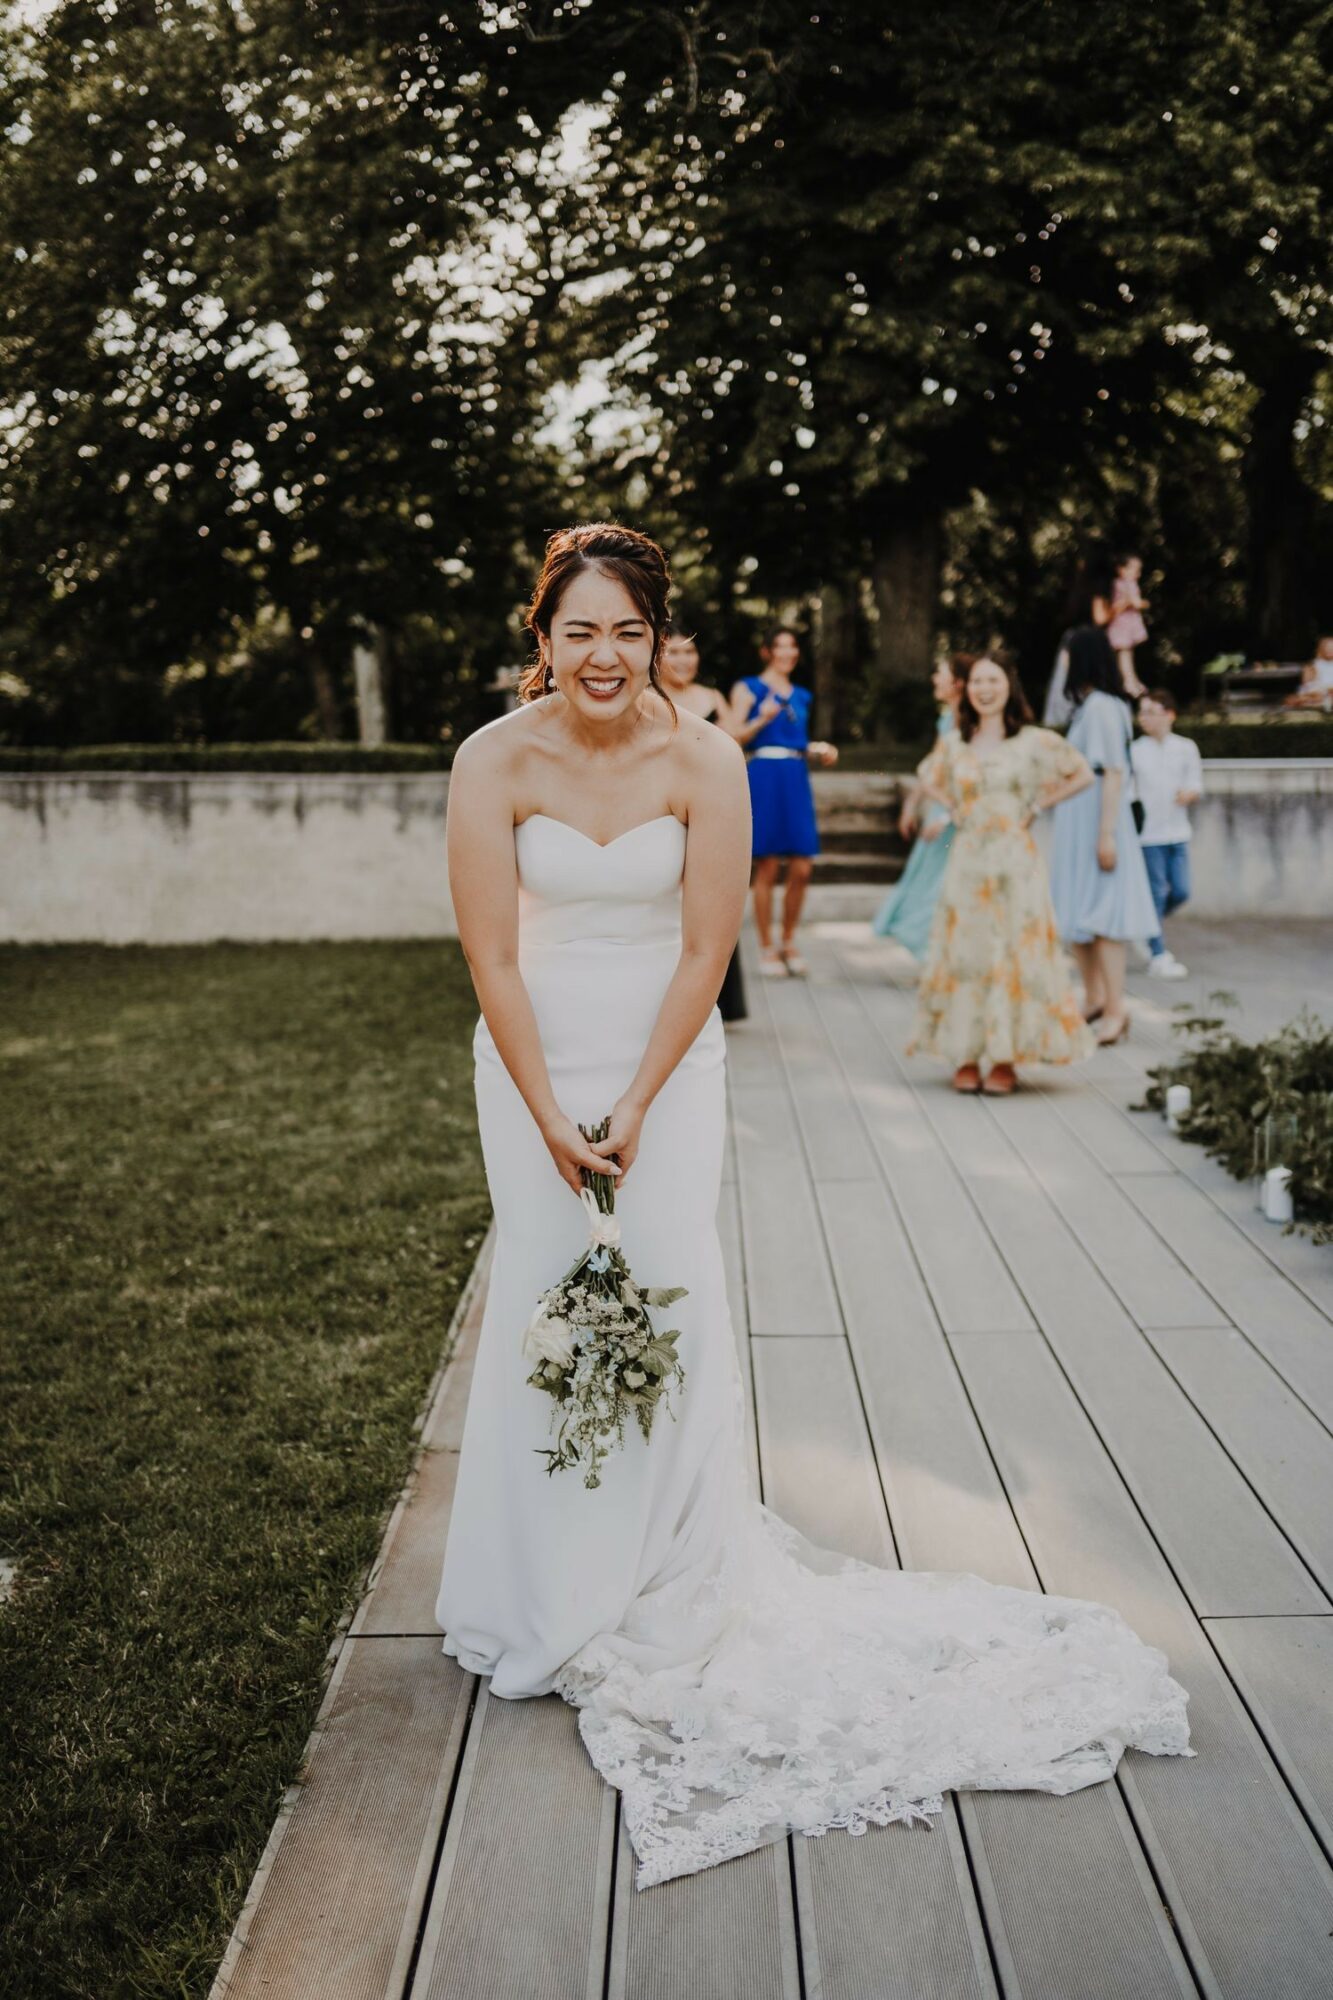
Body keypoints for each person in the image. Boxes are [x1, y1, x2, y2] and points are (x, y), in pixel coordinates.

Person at [434, 521, 1190, 1891]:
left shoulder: (706, 758)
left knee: (665, 1290)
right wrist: (548, 1109)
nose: (600, 658)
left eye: (627, 634)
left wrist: (638, 1104)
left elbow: (705, 950)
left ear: (660, 641)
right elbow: (488, 947)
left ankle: (665, 1579)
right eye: (575, 631)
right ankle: (536, 1583)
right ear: (538, 635)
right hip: (532, 1064)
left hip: (667, 1063)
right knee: (550, 1301)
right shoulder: (490, 760)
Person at [909, 653, 1097, 1094]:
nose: (985, 689)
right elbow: (927, 776)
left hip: (1016, 861)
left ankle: (1006, 1057)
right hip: (969, 860)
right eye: (977, 681)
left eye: (993, 680)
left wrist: (1037, 805)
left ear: (1008, 686)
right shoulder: (956, 741)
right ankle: (967, 1053)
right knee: (967, 951)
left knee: (1013, 952)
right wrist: (954, 807)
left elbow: (1082, 773)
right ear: (967, 690)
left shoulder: (1032, 741)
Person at [1048, 627, 1160, 1044]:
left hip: (1098, 817)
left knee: (1105, 915)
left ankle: (1116, 1008)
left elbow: (1113, 771)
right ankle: (1094, 997)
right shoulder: (1090, 707)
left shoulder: (1102, 707)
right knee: (1078, 911)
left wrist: (1106, 834)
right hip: (1080, 817)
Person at [729, 627, 837, 978]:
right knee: (768, 867)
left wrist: (816, 749)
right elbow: (733, 736)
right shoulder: (748, 688)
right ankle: (765, 946)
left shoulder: (803, 695)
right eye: (780, 647)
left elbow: (795, 739)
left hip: (795, 775)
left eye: (793, 647)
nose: (788, 653)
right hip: (763, 775)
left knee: (803, 866)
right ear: (767, 652)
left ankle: (789, 940)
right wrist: (763, 716)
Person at [659, 624, 747, 1021]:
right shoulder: (647, 700)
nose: (683, 660)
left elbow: (731, 748)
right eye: (674, 653)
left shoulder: (711, 698)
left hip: (710, 809)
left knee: (713, 896)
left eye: (689, 653)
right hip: (665, 807)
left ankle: (718, 998)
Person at [872, 654, 967, 959]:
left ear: (958, 682)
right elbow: (932, 769)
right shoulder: (947, 719)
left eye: (940, 673)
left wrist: (949, 813)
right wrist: (911, 805)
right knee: (925, 882)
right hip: (942, 809)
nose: (934, 679)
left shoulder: (966, 722)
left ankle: (941, 955)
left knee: (940, 886)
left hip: (956, 813)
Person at [1132, 689, 1203, 980]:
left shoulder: (1186, 747)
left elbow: (1196, 783)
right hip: (1148, 836)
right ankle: (1157, 953)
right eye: (1141, 712)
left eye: (1151, 711)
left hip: (1178, 831)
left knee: (1181, 891)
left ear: (1169, 714)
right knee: (1157, 892)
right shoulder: (1135, 750)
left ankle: (1146, 927)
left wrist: (1189, 794)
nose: (1144, 718)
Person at [1042, 557, 1114, 726]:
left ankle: (1058, 720)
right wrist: (1119, 609)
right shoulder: (1098, 590)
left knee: (1063, 681)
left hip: (1072, 638)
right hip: (1087, 641)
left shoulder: (1077, 590)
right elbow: (1100, 618)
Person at [1107, 553, 1150, 698]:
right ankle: (1128, 681)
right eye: (1135, 570)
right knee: (1124, 654)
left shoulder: (1131, 584)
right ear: (1122, 570)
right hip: (1121, 625)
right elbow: (1116, 607)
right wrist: (1130, 602)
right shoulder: (1119, 584)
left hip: (1128, 625)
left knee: (1128, 653)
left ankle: (1132, 680)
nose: (1138, 574)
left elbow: (1137, 603)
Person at [1284, 633, 1333, 710]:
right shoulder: (1313, 665)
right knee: (1315, 697)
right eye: (1327, 647)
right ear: (1321, 648)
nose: (1330, 650)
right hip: (1318, 692)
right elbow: (1308, 685)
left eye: (1332, 647)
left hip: (1329, 694)